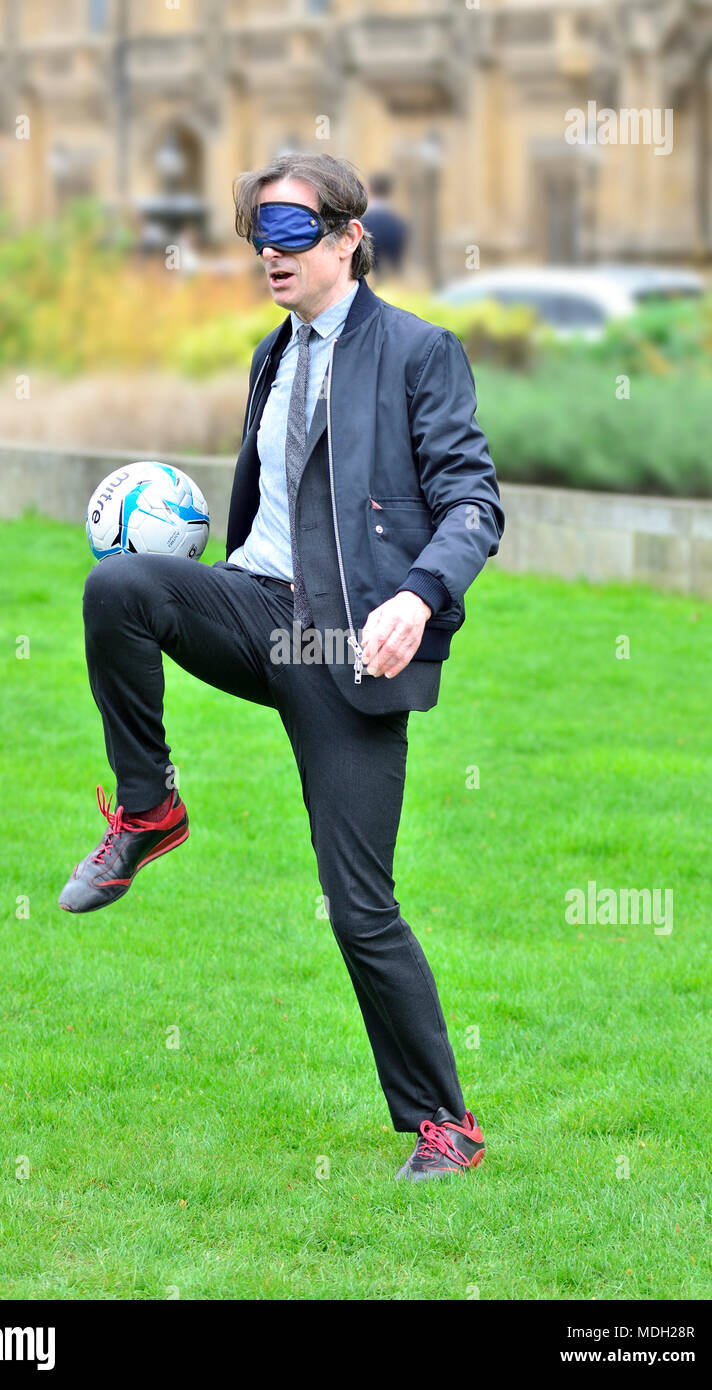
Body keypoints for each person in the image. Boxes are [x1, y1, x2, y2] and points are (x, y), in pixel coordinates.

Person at [59, 152, 504, 1181]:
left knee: (359, 906)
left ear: (351, 237)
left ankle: (445, 1125)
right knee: (121, 589)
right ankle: (147, 811)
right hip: (257, 606)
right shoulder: (273, 353)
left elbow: (474, 502)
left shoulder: (417, 354)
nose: (271, 249)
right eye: (258, 230)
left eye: (294, 230)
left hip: (349, 647)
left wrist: (416, 593)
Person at [362, 172, 408, 279]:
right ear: (389, 192)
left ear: (369, 190)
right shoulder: (399, 224)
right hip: (394, 284)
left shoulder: (362, 223)